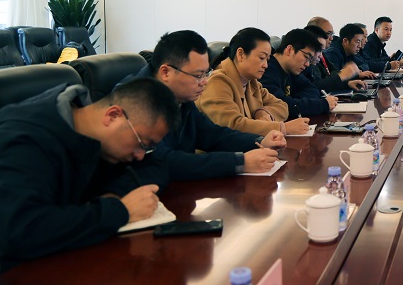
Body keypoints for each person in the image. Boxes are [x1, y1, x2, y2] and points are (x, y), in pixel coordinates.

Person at [0, 78, 179, 266]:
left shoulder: (93, 134)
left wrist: (114, 194)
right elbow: (20, 231)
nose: (140, 155)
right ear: (113, 115)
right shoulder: (24, 141)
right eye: (142, 144)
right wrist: (120, 210)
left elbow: (157, 165)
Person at [121, 30, 286, 187]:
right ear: (166, 72)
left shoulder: (181, 96)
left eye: (206, 73)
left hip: (177, 189)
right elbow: (163, 160)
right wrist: (240, 162)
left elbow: (211, 134)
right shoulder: (135, 100)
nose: (205, 82)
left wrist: (258, 141)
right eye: (198, 76)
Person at [197, 27, 310, 135]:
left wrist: (263, 112)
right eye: (262, 58)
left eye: (267, 59)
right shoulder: (217, 82)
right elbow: (233, 125)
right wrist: (283, 128)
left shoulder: (251, 83)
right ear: (241, 54)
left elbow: (282, 106)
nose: (266, 65)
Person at [261, 28, 336, 117]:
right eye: (306, 57)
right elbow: (281, 107)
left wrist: (295, 103)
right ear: (289, 50)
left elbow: (312, 90)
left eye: (310, 59)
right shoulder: (266, 72)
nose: (307, 64)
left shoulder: (291, 70)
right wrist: (321, 105)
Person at [304, 24, 366, 93]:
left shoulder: (321, 55)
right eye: (328, 34)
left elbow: (333, 72)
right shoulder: (332, 53)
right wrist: (341, 75)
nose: (331, 38)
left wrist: (347, 84)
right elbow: (314, 88)